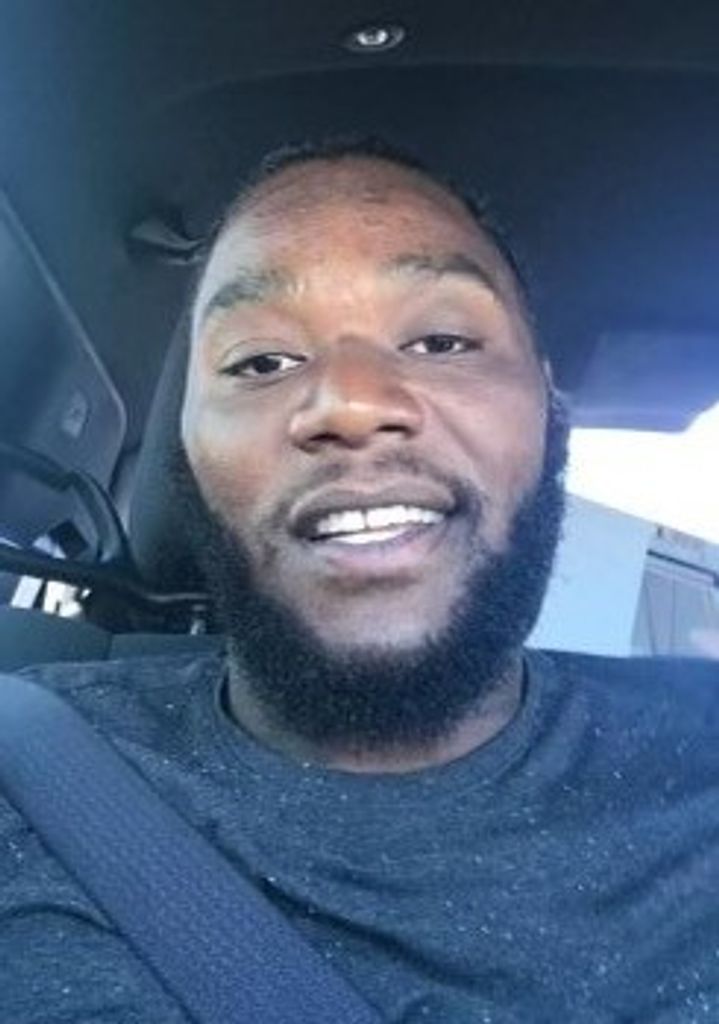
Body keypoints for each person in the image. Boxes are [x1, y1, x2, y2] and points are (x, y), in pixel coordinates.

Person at [1, 136, 718, 1023]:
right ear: (184, 450)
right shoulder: (24, 768)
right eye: (260, 362)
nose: (350, 402)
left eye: (442, 340)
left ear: (548, 412)